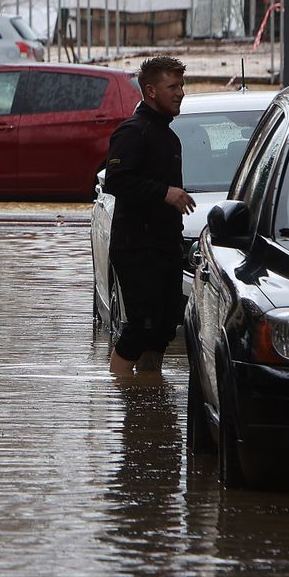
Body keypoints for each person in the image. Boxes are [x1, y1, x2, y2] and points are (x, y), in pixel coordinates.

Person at [104, 56, 195, 379]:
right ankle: (119, 398)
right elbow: (115, 180)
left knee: (163, 329)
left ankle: (149, 399)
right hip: (136, 249)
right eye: (173, 86)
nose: (180, 93)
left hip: (166, 247)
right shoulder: (133, 132)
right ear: (151, 91)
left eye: (182, 85)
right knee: (140, 329)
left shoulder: (169, 137)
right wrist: (164, 192)